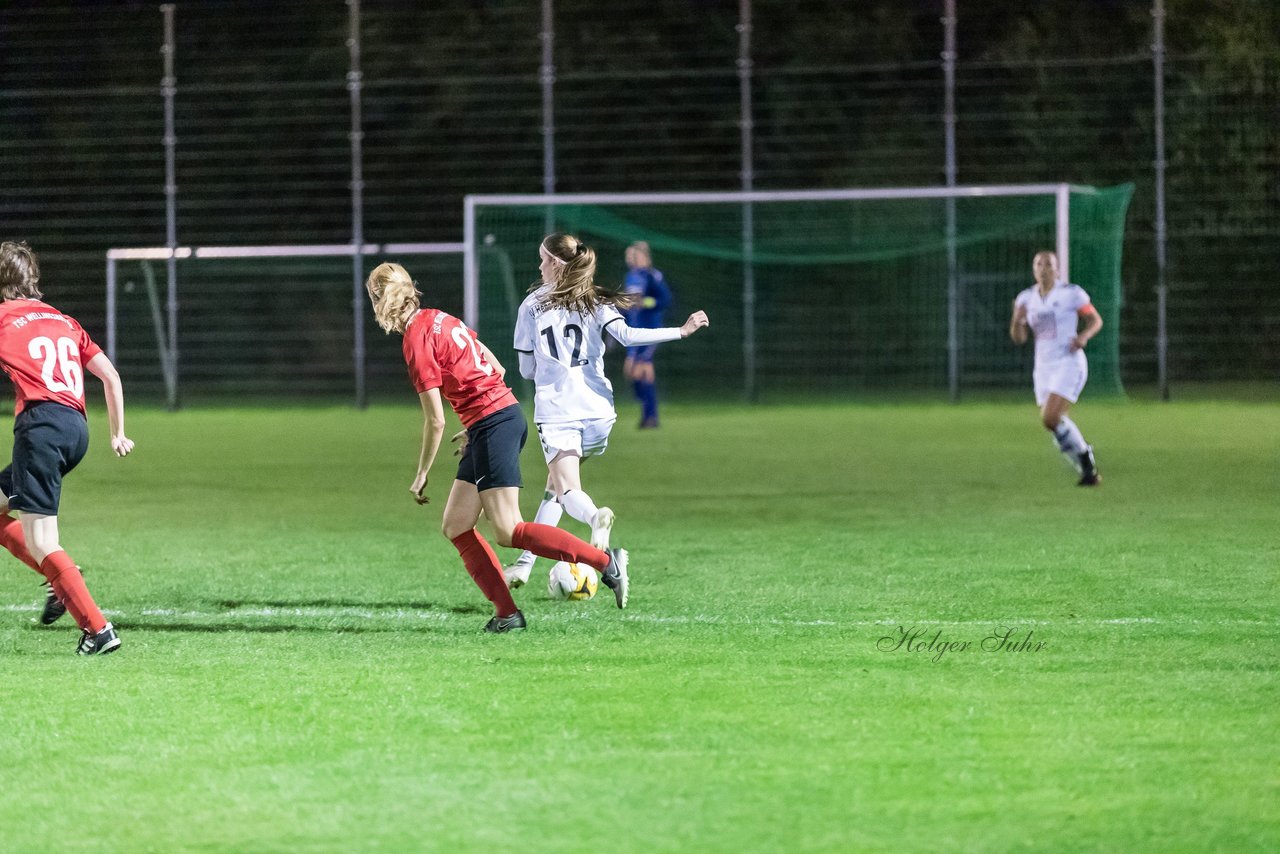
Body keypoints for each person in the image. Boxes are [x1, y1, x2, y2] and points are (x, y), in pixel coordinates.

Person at [365, 261, 630, 633]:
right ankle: (507, 614)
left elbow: (436, 420)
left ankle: (605, 562)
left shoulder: (415, 340)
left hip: (495, 424)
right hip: (495, 419)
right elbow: (496, 366)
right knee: (457, 525)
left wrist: (422, 472)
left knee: (508, 530)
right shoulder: (440, 318)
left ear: (380, 300)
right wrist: (477, 422)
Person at [503, 233, 709, 588]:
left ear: (555, 263)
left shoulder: (531, 306)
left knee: (569, 492)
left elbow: (525, 370)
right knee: (555, 486)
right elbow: (628, 337)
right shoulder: (595, 300)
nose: (539, 266)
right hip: (599, 412)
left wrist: (550, 367)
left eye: (543, 259)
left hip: (559, 411)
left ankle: (595, 516)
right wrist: (681, 330)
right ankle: (524, 563)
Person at [0, 240, 133, 654]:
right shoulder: (62, 319)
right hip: (77, 429)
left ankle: (98, 630)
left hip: (41, 429)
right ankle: (60, 580)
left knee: (43, 541)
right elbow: (110, 376)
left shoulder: (3, 318)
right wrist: (118, 433)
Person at [1009, 250, 1103, 486]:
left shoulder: (1071, 294)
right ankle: (1087, 468)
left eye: (1048, 264)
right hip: (1043, 366)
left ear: (1057, 269)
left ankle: (1085, 460)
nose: (1043, 269)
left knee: (1050, 417)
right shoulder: (1026, 299)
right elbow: (1019, 338)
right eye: (1039, 264)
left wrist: (1084, 337)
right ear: (1033, 269)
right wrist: (1017, 320)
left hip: (1068, 361)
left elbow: (1095, 320)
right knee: (1054, 422)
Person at [621, 241, 673, 428]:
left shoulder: (652, 276)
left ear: (642, 256)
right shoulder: (631, 277)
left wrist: (646, 302)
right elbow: (630, 304)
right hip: (634, 330)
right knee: (633, 372)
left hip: (651, 330)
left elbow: (665, 300)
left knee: (644, 369)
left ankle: (651, 416)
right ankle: (647, 412)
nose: (629, 259)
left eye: (632, 255)